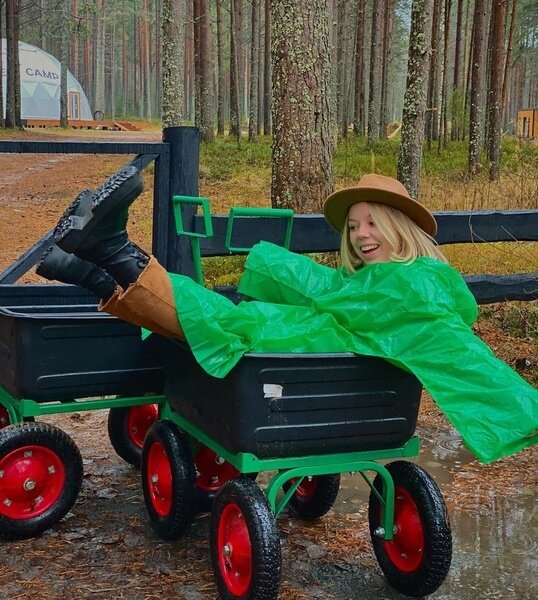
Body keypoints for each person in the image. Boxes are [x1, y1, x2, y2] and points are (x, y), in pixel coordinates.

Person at [36, 168, 537, 464]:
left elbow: (468, 358)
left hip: (309, 356)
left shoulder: (419, 285)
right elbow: (333, 291)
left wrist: (524, 411)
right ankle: (98, 264)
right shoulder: (378, 280)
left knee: (218, 319)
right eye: (354, 226)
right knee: (218, 315)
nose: (361, 235)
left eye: (372, 223)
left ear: (400, 229)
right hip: (304, 341)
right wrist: (274, 269)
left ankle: (109, 252)